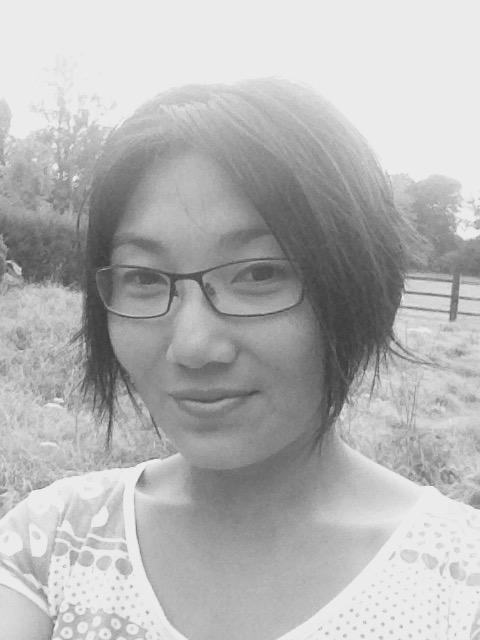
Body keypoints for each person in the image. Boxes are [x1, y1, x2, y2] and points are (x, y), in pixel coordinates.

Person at [0, 77, 479, 640]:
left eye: (259, 273)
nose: (192, 346)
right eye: (144, 278)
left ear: (366, 288)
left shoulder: (459, 582)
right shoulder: (52, 541)